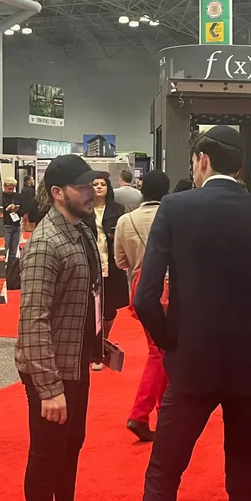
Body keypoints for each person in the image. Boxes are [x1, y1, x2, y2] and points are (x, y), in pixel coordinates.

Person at [135, 125, 251, 501]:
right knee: (243, 479)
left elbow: (145, 297)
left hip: (191, 361)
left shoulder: (174, 207)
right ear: (240, 167)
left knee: (164, 473)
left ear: (202, 161)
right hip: (249, 366)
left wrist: (171, 341)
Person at [17, 155, 105, 501]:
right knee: (47, 453)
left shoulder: (82, 229)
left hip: (75, 360)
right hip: (50, 368)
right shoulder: (46, 243)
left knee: (70, 447)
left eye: (92, 185)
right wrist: (49, 388)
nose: (91, 193)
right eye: (82, 187)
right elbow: (32, 320)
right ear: (57, 192)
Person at [113, 170, 171, 442]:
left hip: (141, 284)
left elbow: (120, 261)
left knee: (160, 350)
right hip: (170, 286)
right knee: (161, 352)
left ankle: (162, 411)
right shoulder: (173, 216)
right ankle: (141, 412)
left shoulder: (126, 221)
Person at [89, 174, 128, 370]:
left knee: (109, 306)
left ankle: (104, 340)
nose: (99, 187)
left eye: (102, 184)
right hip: (89, 261)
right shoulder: (83, 209)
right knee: (90, 306)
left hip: (111, 261)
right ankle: (94, 348)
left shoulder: (117, 210)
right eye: (95, 184)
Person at [2, 177, 40, 261]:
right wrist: (6, 209)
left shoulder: (18, 196)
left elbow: (23, 210)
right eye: (9, 189)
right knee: (4, 249)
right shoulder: (1, 197)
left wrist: (17, 210)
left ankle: (11, 270)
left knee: (13, 252)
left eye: (12, 188)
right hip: (5, 226)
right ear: (4, 186)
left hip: (16, 226)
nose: (11, 191)